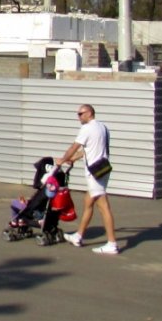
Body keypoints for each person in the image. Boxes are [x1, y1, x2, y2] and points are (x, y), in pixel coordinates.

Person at [59, 103, 120, 254]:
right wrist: (73, 159)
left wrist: (62, 159)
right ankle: (78, 236)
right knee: (88, 202)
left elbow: (75, 146)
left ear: (89, 113)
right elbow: (90, 150)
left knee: (103, 206)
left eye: (80, 114)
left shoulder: (86, 129)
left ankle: (112, 244)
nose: (78, 117)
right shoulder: (103, 127)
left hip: (94, 173)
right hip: (103, 169)